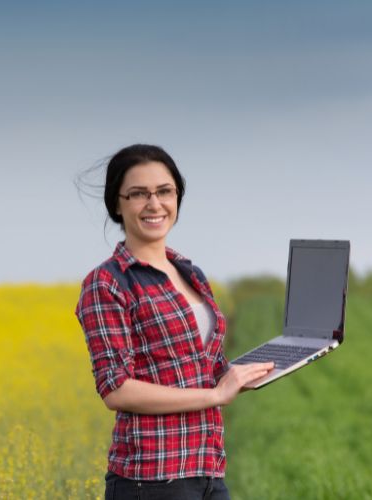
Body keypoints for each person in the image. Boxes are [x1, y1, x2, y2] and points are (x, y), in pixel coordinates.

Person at [75, 144, 275, 499]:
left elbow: (200, 368)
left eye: (165, 191)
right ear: (117, 204)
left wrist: (240, 376)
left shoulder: (191, 273)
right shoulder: (107, 283)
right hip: (151, 480)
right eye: (138, 194)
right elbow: (116, 389)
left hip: (208, 470)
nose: (155, 204)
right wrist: (215, 394)